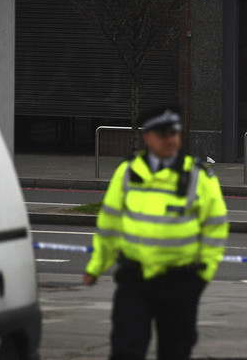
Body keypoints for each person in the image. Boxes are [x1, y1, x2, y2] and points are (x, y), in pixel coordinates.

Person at [83, 106, 228, 360]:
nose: (170, 140)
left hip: (180, 281)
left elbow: (215, 227)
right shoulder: (128, 172)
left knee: (175, 352)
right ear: (147, 137)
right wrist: (96, 267)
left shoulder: (199, 177)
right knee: (126, 350)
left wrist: (203, 275)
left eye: (174, 133)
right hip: (134, 279)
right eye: (163, 135)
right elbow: (109, 224)